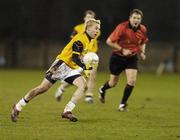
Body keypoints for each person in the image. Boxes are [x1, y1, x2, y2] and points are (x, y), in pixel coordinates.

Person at [11, 18, 101, 122]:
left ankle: (67, 111)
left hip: (70, 69)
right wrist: (85, 67)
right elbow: (75, 58)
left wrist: (86, 64)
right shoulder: (80, 39)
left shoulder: (91, 40)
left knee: (83, 86)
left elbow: (80, 57)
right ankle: (18, 107)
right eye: (95, 28)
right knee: (42, 88)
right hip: (61, 65)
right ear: (88, 28)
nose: (97, 31)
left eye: (98, 29)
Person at [98, 9, 148, 111]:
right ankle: (103, 89)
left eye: (138, 18)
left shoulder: (143, 29)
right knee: (113, 83)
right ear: (130, 18)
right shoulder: (122, 27)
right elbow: (109, 41)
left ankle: (122, 105)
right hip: (118, 57)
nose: (136, 20)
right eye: (134, 18)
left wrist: (142, 52)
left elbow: (143, 42)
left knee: (132, 81)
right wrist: (122, 49)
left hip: (132, 58)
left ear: (141, 20)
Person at [55, 10, 100, 103]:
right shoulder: (78, 29)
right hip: (80, 56)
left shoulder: (96, 30)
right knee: (73, 77)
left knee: (92, 75)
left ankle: (88, 95)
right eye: (88, 17)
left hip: (91, 55)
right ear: (84, 18)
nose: (89, 19)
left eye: (92, 18)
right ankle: (62, 88)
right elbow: (74, 41)